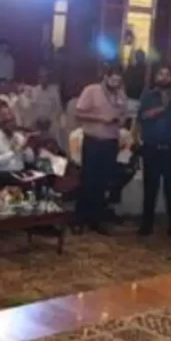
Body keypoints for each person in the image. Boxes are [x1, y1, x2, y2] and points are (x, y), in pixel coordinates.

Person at [74, 64, 128, 234]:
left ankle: (96, 219)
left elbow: (123, 113)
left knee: (103, 182)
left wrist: (120, 120)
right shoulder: (91, 90)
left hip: (110, 142)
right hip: (93, 141)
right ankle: (80, 218)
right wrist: (100, 118)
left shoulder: (121, 93)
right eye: (113, 79)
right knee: (88, 180)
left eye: (119, 80)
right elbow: (78, 114)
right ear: (105, 77)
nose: (116, 83)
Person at [136, 65, 171, 239]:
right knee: (150, 189)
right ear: (156, 77)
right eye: (160, 74)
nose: (163, 77)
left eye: (167, 74)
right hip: (151, 149)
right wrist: (163, 107)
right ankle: (146, 225)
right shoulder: (148, 95)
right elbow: (143, 116)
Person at [0, 105, 35, 182]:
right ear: (2, 124)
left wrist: (26, 148)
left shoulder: (19, 137)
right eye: (8, 122)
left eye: (13, 121)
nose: (12, 124)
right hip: (3, 176)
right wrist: (13, 153)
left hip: (21, 174)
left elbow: (30, 160)